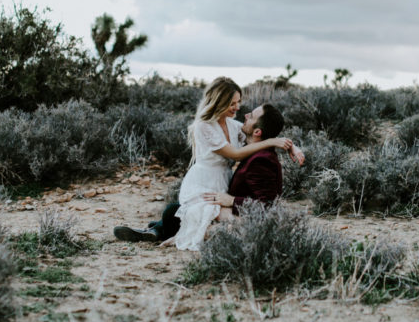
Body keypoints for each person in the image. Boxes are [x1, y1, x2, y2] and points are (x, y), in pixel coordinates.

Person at [113, 80, 302, 246]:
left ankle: (157, 230)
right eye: (232, 103)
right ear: (220, 103)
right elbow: (238, 151)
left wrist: (289, 146)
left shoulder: (234, 126)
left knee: (183, 212)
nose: (239, 110)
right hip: (204, 179)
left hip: (222, 180)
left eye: (239, 103)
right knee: (187, 211)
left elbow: (262, 132)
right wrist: (273, 142)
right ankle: (158, 230)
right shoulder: (205, 126)